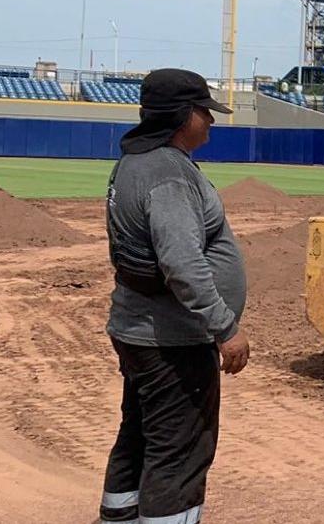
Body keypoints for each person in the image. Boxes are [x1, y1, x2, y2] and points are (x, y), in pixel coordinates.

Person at [99, 69, 250, 524]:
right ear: (184, 116)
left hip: (139, 330)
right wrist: (225, 329)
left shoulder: (134, 161)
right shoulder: (167, 174)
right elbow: (182, 264)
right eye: (205, 111)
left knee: (139, 435)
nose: (211, 121)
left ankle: (118, 516)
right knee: (179, 453)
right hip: (172, 340)